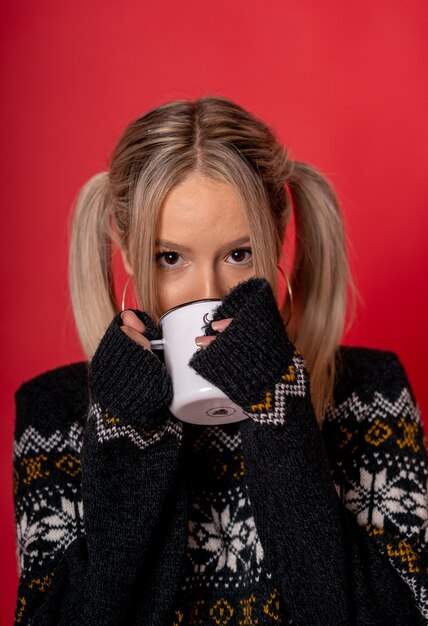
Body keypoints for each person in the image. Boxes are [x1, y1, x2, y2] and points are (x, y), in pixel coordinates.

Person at [12, 96, 427, 626]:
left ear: (278, 236)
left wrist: (278, 410)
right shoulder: (56, 413)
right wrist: (127, 440)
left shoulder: (371, 393)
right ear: (125, 245)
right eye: (170, 258)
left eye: (239, 253)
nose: (208, 295)